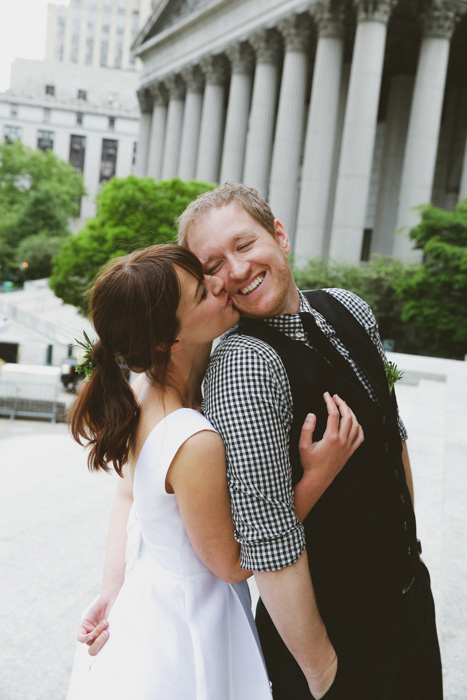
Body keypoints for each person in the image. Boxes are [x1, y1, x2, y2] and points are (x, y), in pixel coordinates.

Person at [174, 183, 443, 700]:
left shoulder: (349, 308)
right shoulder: (245, 364)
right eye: (212, 265)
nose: (235, 270)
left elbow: (393, 437)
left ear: (280, 236)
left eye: (244, 245)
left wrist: (413, 553)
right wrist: (324, 676)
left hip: (408, 603)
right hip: (332, 643)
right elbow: (267, 536)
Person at [66, 243, 363, 699]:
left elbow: (127, 499)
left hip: (146, 602)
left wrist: (113, 588)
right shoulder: (192, 439)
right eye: (203, 294)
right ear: (169, 340)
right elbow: (231, 564)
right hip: (187, 628)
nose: (222, 285)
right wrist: (318, 476)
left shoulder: (143, 390)